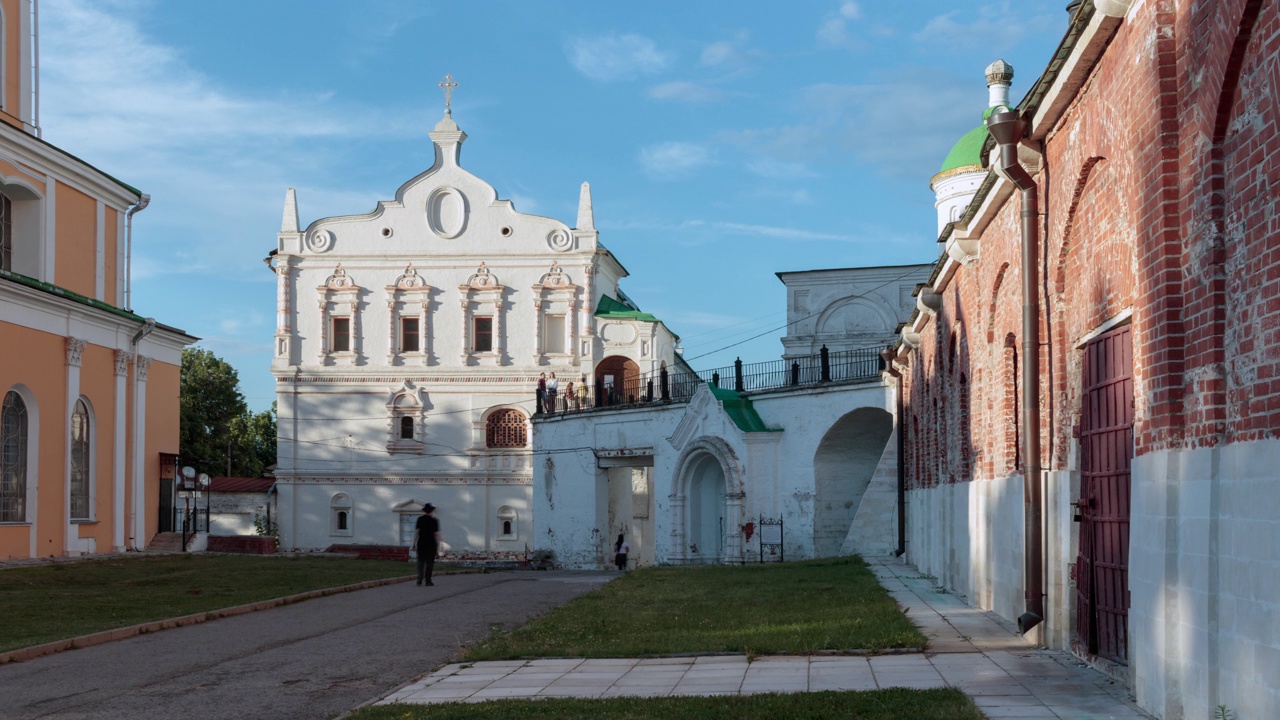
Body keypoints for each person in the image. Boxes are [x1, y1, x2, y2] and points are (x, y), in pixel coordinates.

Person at [413, 503, 441, 586]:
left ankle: (419, 579)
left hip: (421, 543)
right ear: (431, 511)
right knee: (429, 562)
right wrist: (438, 545)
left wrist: (414, 543)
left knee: (420, 562)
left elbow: (417, 532)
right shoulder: (435, 521)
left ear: (425, 511)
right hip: (431, 544)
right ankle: (428, 580)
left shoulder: (420, 519)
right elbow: (437, 534)